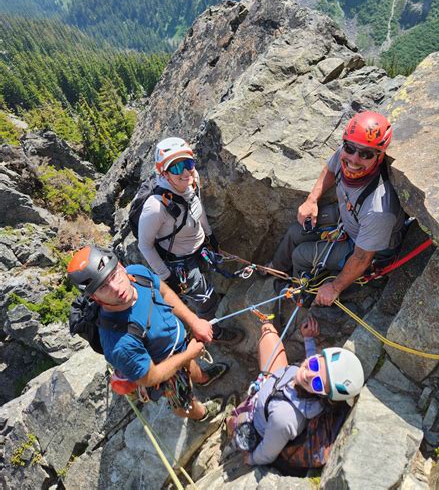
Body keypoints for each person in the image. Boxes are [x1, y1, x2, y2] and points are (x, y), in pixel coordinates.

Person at [67, 245, 229, 421]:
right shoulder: (119, 343)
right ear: (95, 298)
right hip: (164, 370)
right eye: (103, 287)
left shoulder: (138, 274)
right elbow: (151, 378)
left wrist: (194, 321)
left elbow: (164, 292)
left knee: (190, 365)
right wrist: (189, 353)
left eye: (114, 275)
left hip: (180, 345)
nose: (115, 287)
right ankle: (203, 417)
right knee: (182, 400)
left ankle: (203, 379)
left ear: (120, 266)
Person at [269, 111, 406, 305]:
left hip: (364, 247)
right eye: (350, 148)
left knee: (301, 255)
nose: (354, 160)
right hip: (349, 218)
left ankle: (301, 295)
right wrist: (311, 200)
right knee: (295, 231)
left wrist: (334, 288)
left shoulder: (378, 209)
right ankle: (275, 269)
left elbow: (362, 258)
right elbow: (331, 169)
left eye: (366, 154)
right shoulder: (345, 155)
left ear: (380, 156)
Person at [138, 137, 244, 344]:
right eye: (176, 167)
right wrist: (167, 276)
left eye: (188, 163)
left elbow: (197, 208)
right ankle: (214, 332)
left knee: (207, 286)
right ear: (163, 173)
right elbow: (145, 245)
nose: (186, 172)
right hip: (179, 263)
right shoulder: (155, 207)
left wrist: (210, 235)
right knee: (206, 301)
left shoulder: (191, 180)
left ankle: (209, 307)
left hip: (198, 246)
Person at [227, 316, 364, 467]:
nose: (309, 374)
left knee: (232, 420)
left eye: (318, 383)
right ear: (318, 356)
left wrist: (251, 459)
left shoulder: (284, 418)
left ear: (324, 396)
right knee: (268, 332)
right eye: (314, 364)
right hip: (274, 388)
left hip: (258, 420)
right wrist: (308, 339)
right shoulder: (306, 381)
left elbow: (267, 453)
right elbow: (315, 368)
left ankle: (228, 420)